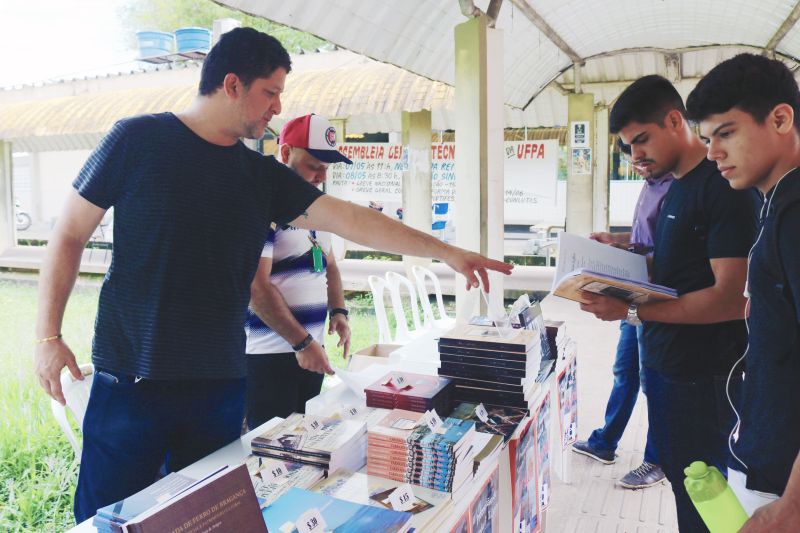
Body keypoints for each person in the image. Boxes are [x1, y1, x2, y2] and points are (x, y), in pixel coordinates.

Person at [32, 27, 512, 523]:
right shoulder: (136, 140)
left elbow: (349, 218)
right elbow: (68, 233)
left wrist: (448, 252)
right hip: (132, 378)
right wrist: (48, 334)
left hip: (218, 386)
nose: (277, 108)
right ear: (232, 84)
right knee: (105, 518)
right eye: (271, 92)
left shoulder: (259, 176)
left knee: (206, 518)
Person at [580, 74, 756, 531]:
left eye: (642, 140)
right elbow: (676, 264)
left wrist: (632, 311)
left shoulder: (721, 189)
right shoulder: (677, 184)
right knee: (684, 489)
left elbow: (730, 298)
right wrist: (616, 258)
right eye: (628, 145)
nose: (635, 155)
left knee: (707, 496)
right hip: (667, 368)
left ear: (675, 121)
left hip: (703, 378)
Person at [686, 53, 800, 531]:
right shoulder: (772, 201)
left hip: (782, 484)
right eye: (707, 139)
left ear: (780, 118)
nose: (713, 154)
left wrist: (791, 507)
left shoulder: (795, 215)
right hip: (766, 458)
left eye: (726, 133)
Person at [572, 139, 672, 490]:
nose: (636, 161)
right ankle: (605, 442)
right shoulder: (650, 186)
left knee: (652, 381)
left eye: (642, 149)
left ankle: (657, 459)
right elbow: (645, 239)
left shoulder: (681, 186)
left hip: (653, 300)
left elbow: (672, 253)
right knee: (624, 369)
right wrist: (616, 241)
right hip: (634, 288)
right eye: (629, 155)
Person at [245, 114, 352, 430]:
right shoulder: (264, 205)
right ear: (286, 153)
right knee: (271, 448)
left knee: (304, 442)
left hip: (311, 351)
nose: (321, 175)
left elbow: (329, 266)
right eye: (314, 165)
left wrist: (339, 312)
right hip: (271, 355)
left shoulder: (316, 208)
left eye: (327, 168)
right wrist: (302, 344)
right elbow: (256, 287)